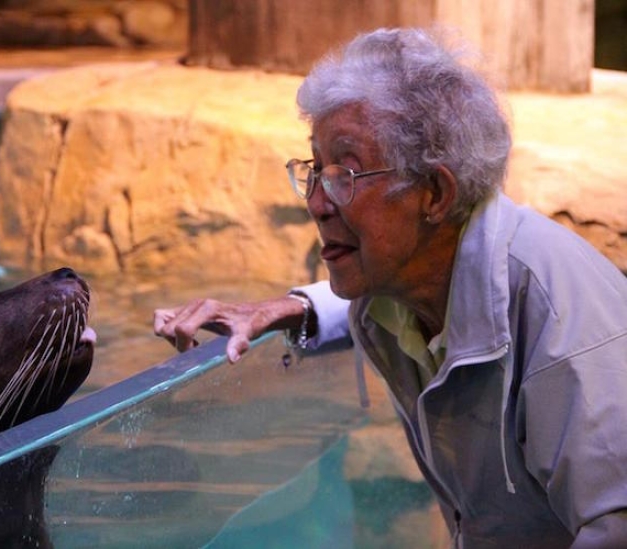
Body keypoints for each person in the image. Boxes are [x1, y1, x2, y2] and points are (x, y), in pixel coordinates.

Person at [153, 27, 627, 548]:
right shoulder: (400, 292)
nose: (316, 201)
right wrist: (291, 308)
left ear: (435, 193)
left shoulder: (563, 326)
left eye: (345, 173)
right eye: (314, 169)